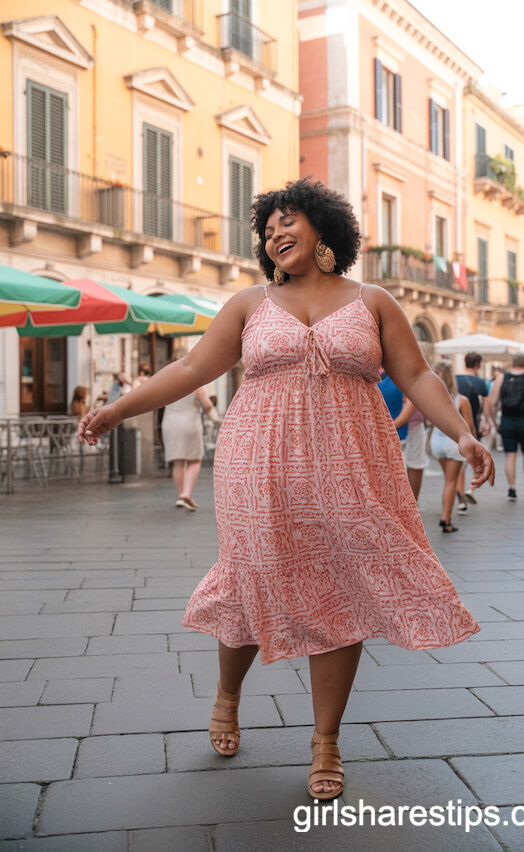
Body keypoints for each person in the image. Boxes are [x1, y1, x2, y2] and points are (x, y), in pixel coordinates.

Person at [78, 178, 494, 801]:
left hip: (352, 466)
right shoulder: (249, 303)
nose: (276, 234)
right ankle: (228, 695)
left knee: (342, 588)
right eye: (268, 229)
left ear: (323, 227)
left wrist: (462, 436)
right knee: (252, 577)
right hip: (259, 465)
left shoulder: (374, 301)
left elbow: (415, 375)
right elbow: (191, 368)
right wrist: (117, 409)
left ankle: (326, 741)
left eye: (288, 221)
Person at [161, 350, 221, 511]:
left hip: (170, 423)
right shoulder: (194, 382)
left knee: (178, 461)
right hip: (189, 423)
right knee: (195, 460)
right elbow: (207, 405)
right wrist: (215, 419)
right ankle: (186, 494)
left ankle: (181, 495)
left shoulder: (166, 382)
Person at [489, 352, 524, 500]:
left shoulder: (501, 378)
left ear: (512, 362)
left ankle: (512, 489)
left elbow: (492, 402)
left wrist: (494, 422)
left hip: (507, 420)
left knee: (510, 455)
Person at [429, 360, 478, 532]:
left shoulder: (431, 398)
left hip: (436, 441)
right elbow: (469, 426)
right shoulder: (461, 400)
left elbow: (428, 421)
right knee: (451, 482)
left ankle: (446, 517)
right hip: (453, 443)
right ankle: (446, 520)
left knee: (448, 481)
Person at [455, 352, 493, 510]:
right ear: (478, 365)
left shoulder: (455, 379)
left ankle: (460, 496)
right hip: (472, 425)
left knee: (459, 461)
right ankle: (471, 489)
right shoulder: (480, 382)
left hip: (455, 425)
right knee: (476, 459)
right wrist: (488, 421)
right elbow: (487, 404)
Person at [393, 398, 426, 501]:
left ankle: (413, 503)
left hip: (411, 427)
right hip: (398, 427)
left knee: (414, 465)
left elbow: (406, 414)